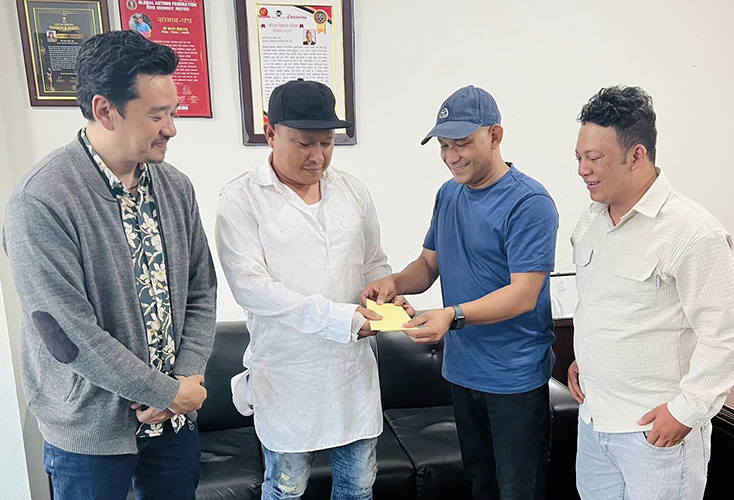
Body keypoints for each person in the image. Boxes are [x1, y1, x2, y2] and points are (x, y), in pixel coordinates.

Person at [3, 30, 217, 500]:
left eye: (174, 112)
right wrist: (165, 392)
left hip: (174, 422)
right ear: (105, 110)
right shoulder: (40, 200)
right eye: (157, 115)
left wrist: (185, 379)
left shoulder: (175, 187)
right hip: (91, 433)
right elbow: (67, 333)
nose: (172, 128)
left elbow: (201, 289)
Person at [216, 79, 411, 500]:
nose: (317, 156)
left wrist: (384, 291)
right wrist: (341, 318)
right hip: (288, 376)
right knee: (287, 489)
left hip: (351, 374)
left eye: (327, 143)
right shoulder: (242, 199)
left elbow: (373, 261)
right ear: (270, 132)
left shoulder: (353, 191)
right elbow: (251, 287)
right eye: (304, 143)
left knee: (358, 487)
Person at [361, 85, 559, 500]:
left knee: (518, 492)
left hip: (514, 378)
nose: (452, 156)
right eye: (444, 146)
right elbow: (428, 264)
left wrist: (452, 315)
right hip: (464, 371)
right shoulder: (448, 194)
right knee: (481, 485)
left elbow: (524, 294)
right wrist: (394, 282)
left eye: (462, 143)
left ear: (495, 135)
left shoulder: (529, 202)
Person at [567, 86, 734, 500]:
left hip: (653, 432)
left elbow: (728, 334)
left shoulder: (691, 231)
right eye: (578, 158)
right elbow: (606, 306)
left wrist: (686, 412)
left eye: (594, 158)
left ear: (637, 155)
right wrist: (589, 359)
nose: (582, 170)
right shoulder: (591, 221)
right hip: (594, 421)